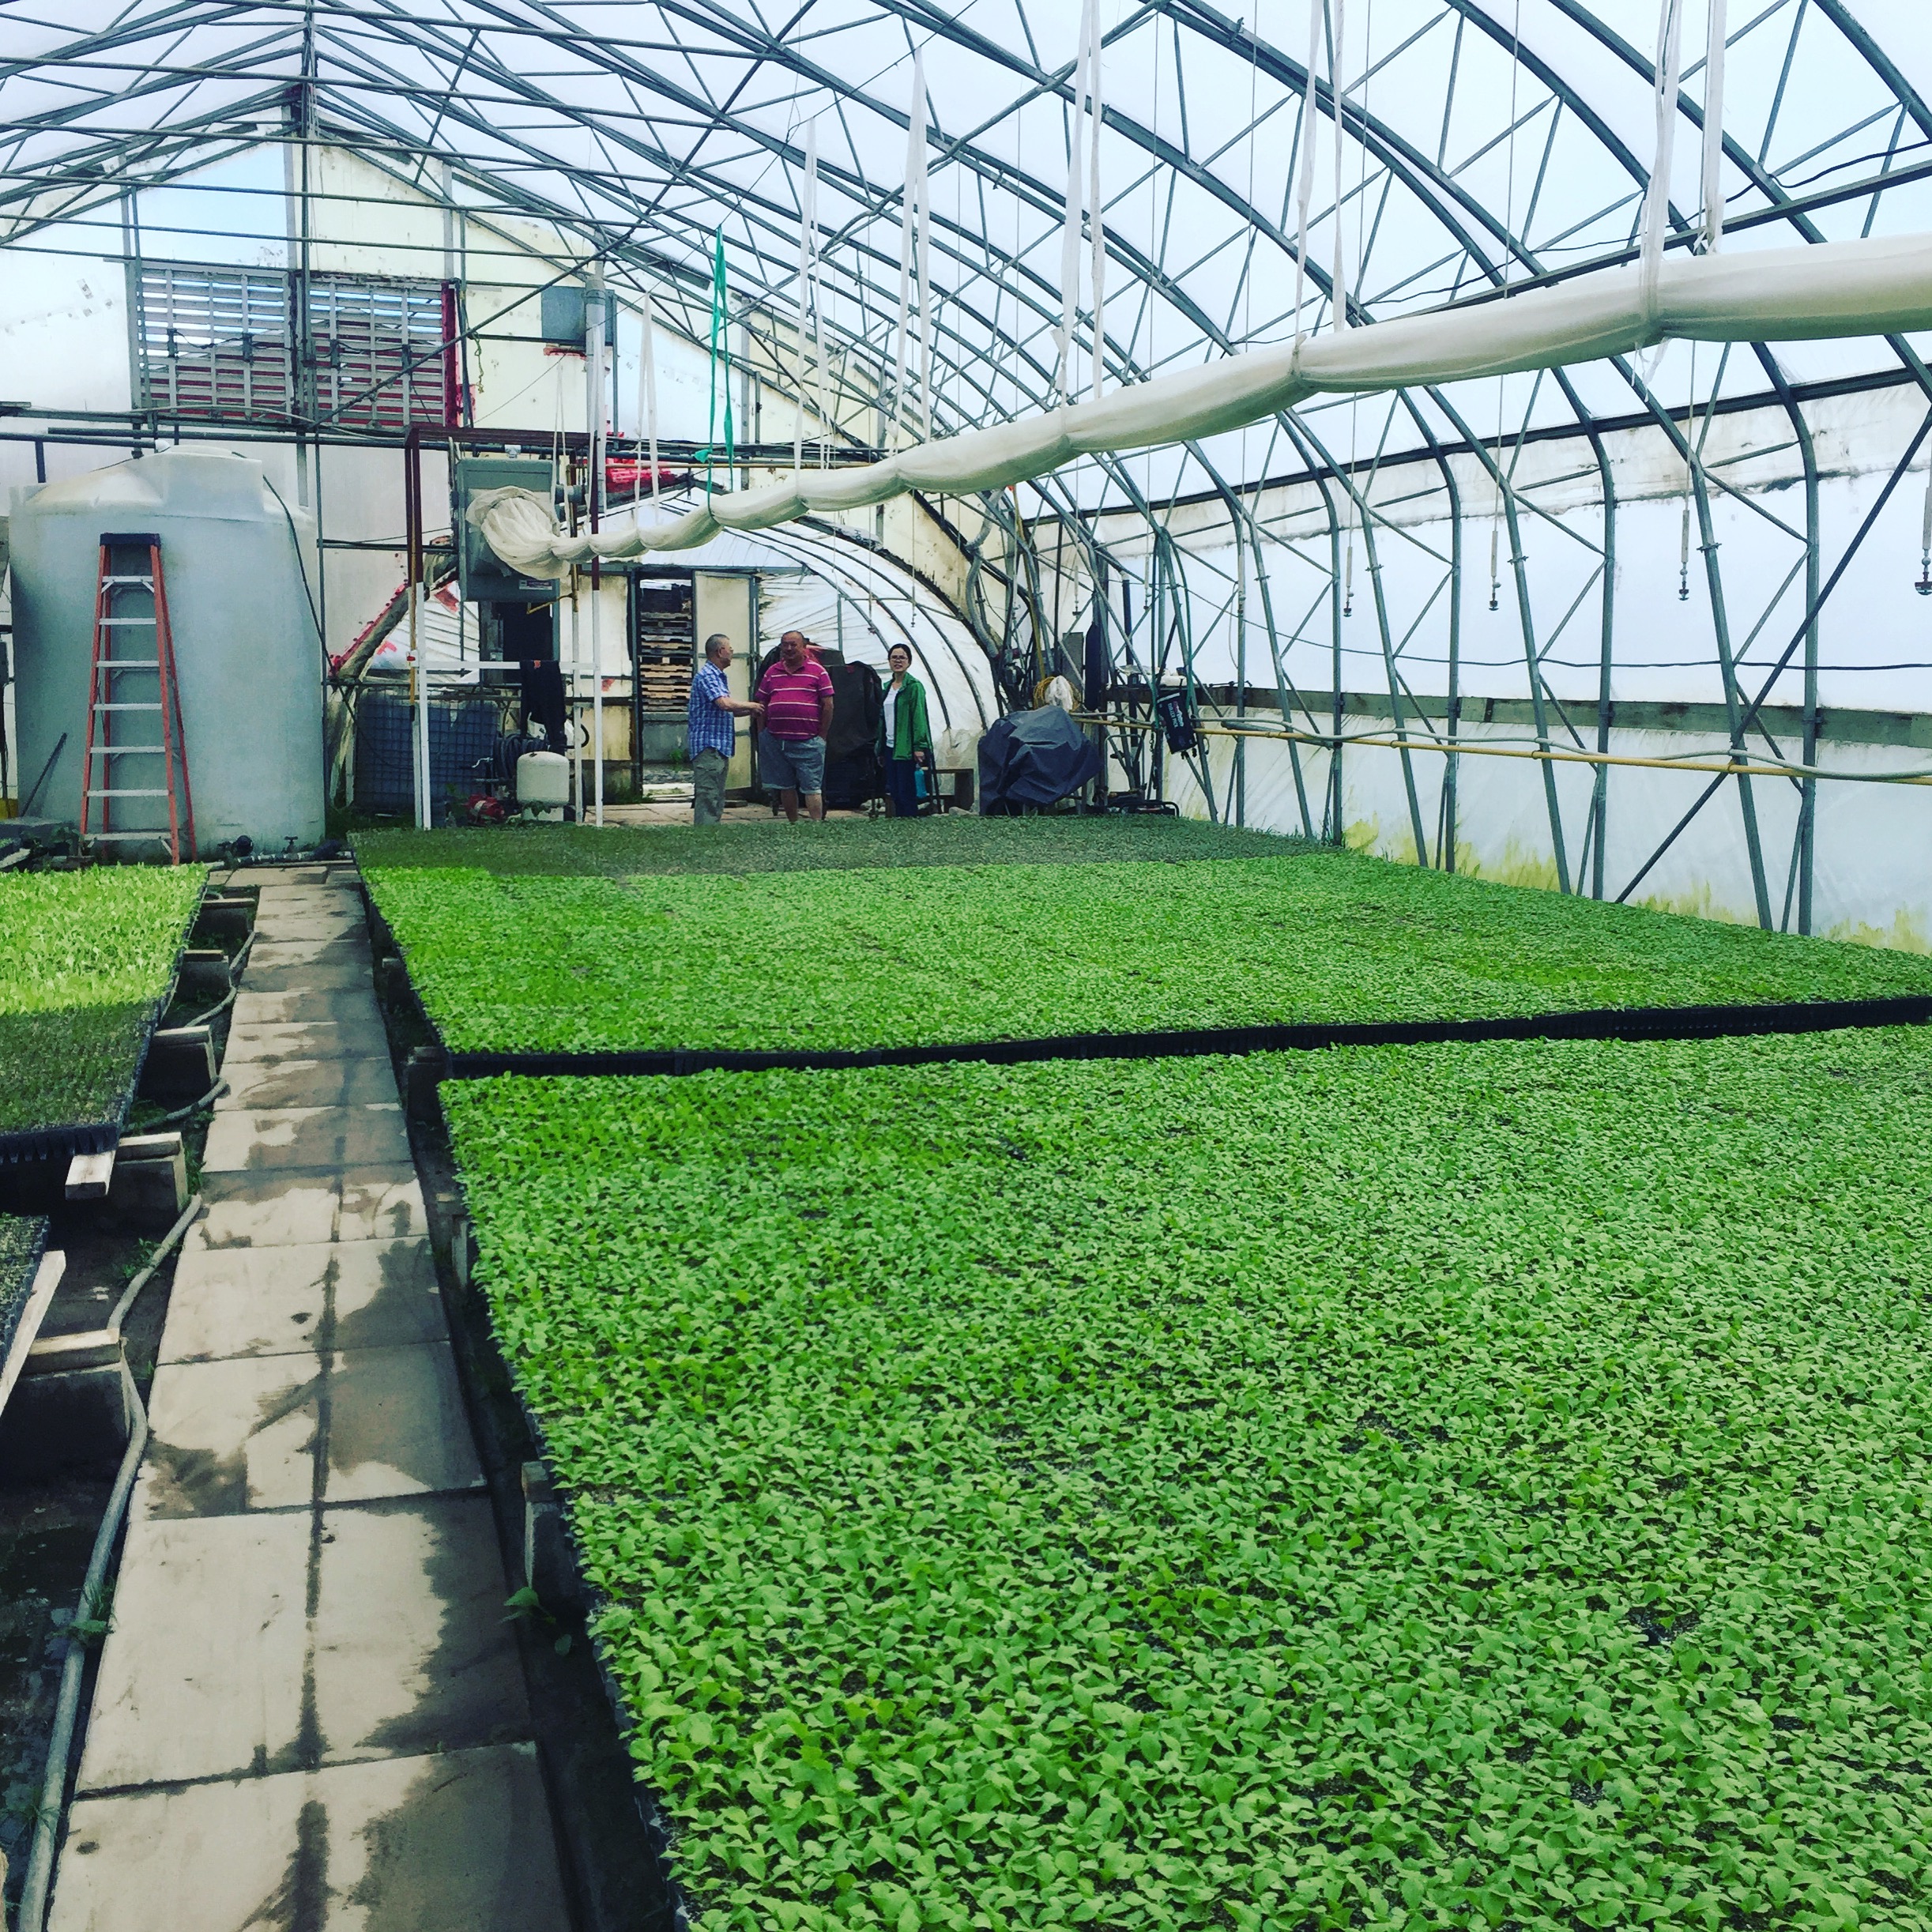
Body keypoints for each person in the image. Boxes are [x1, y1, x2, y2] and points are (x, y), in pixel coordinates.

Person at [755, 629, 834, 823]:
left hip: (808, 741)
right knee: (785, 786)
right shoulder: (772, 672)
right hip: (776, 740)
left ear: (804, 647)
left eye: (793, 645)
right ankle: (793, 824)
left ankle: (816, 825)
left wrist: (821, 736)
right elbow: (761, 703)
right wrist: (762, 732)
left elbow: (828, 705)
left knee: (812, 787)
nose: (789, 649)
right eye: (785, 645)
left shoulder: (818, 671)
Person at [686, 633, 763, 826]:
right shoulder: (709, 675)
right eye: (730, 649)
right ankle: (705, 834)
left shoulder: (718, 676)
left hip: (718, 747)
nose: (732, 653)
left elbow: (727, 711)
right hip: (709, 746)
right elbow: (725, 704)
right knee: (708, 794)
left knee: (717, 794)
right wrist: (752, 705)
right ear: (720, 652)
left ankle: (712, 831)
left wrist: (751, 711)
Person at [876, 642, 935, 818]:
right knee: (894, 790)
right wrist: (880, 748)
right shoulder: (887, 688)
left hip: (906, 748)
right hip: (889, 746)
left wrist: (919, 746)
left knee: (906, 791)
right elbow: (882, 719)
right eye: (894, 657)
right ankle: (900, 823)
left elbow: (918, 718)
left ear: (909, 662)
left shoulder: (914, 687)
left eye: (902, 658)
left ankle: (909, 821)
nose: (898, 661)